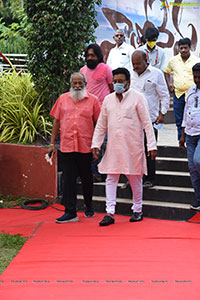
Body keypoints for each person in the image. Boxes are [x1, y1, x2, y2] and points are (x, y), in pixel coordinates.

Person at [91, 67, 157, 226]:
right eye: (115, 81)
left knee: (135, 178)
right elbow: (101, 125)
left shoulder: (138, 98)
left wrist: (151, 145)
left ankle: (137, 209)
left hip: (133, 147)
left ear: (128, 82)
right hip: (113, 147)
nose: (117, 84)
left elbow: (147, 124)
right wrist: (96, 144)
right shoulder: (108, 100)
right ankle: (110, 212)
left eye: (121, 81)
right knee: (111, 178)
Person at [49, 72, 101, 223]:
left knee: (86, 179)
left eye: (80, 83)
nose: (77, 86)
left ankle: (89, 205)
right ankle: (70, 211)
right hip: (67, 146)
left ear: (85, 84)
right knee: (68, 179)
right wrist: (52, 143)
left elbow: (99, 124)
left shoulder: (94, 101)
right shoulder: (62, 99)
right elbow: (56, 122)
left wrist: (97, 145)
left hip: (86, 146)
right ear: (70, 84)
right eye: (75, 83)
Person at [131, 50, 170, 187]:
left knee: (149, 150)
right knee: (134, 151)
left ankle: (150, 179)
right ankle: (134, 179)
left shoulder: (156, 74)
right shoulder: (130, 75)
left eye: (138, 64)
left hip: (151, 119)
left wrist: (163, 113)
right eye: (133, 64)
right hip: (133, 120)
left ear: (146, 60)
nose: (135, 67)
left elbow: (164, 95)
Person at [80, 43, 113, 182]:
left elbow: (112, 89)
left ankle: (101, 171)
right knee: (89, 144)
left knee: (103, 143)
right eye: (88, 55)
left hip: (104, 114)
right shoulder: (82, 70)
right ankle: (92, 172)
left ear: (98, 56)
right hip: (87, 114)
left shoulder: (106, 69)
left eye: (93, 55)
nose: (90, 58)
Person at [164, 38, 200, 140]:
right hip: (178, 94)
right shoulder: (173, 60)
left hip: (194, 94)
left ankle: (192, 139)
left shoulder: (196, 60)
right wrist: (169, 84)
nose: (183, 50)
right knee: (179, 119)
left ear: (190, 48)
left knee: (193, 117)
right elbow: (166, 71)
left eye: (185, 48)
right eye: (181, 48)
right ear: (178, 49)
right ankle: (181, 139)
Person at [179, 63, 200, 210]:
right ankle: (199, 199)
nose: (197, 79)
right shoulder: (191, 90)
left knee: (198, 161)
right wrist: (182, 134)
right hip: (190, 134)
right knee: (192, 168)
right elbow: (187, 112)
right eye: (195, 76)